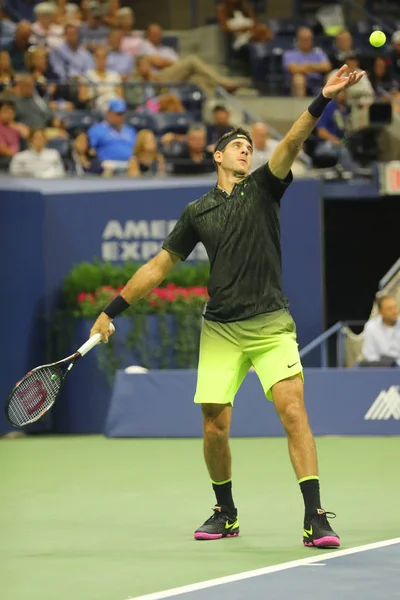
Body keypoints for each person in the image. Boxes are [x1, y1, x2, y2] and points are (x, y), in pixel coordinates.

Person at [89, 64, 364, 547]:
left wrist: (322, 98)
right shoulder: (197, 212)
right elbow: (158, 266)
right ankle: (226, 511)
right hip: (220, 329)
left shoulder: (264, 187)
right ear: (218, 157)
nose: (247, 149)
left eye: (249, 146)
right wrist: (112, 309)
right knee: (214, 424)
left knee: (294, 411)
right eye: (237, 145)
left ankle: (314, 515)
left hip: (270, 324)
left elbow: (292, 143)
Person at [283, 27, 331, 97]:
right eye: (303, 39)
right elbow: (293, 68)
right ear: (298, 40)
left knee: (333, 76)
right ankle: (300, 106)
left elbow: (327, 66)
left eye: (308, 39)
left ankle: (333, 106)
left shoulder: (319, 53)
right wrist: (316, 67)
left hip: (318, 80)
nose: (306, 41)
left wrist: (306, 66)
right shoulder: (289, 54)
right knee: (299, 79)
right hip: (296, 82)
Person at [87, 97, 136, 165]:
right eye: (118, 114)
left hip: (130, 165)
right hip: (107, 167)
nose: (121, 117)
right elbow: (89, 151)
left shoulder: (130, 130)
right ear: (109, 113)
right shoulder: (96, 130)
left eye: (122, 114)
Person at [361, 295, 400, 366]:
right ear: (380, 312)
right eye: (389, 309)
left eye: (395, 307)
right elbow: (370, 354)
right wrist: (384, 365)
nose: (394, 311)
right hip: (380, 369)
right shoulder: (371, 327)